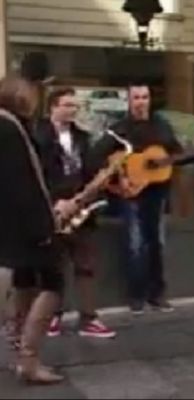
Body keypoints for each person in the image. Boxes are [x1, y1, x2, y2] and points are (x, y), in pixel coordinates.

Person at [0, 75, 77, 384]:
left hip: (14, 225)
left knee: (24, 281)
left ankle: (19, 351)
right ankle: (29, 360)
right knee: (53, 282)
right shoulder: (10, 130)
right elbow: (24, 184)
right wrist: (45, 226)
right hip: (28, 225)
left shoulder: (9, 126)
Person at [94, 82, 183, 314]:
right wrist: (118, 179)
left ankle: (157, 294)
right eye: (136, 98)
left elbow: (176, 152)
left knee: (157, 243)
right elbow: (97, 156)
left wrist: (167, 161)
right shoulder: (119, 129)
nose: (141, 102)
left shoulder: (161, 126)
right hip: (131, 193)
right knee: (135, 243)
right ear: (129, 101)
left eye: (145, 97)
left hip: (157, 191)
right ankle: (136, 295)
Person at [34, 87, 116, 338]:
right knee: (54, 268)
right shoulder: (38, 136)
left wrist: (89, 192)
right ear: (53, 107)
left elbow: (90, 171)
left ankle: (89, 318)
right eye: (68, 105)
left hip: (82, 208)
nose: (73, 110)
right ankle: (51, 316)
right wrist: (55, 202)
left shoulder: (83, 137)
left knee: (86, 265)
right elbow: (36, 175)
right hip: (52, 209)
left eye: (75, 106)